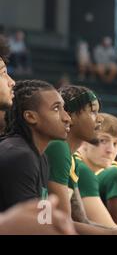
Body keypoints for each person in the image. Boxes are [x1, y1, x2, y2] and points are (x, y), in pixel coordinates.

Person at [45, 85, 117, 234]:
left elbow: (80, 221)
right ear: (70, 115)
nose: (100, 118)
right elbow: (64, 224)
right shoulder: (60, 148)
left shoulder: (72, 160)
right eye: (93, 111)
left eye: (116, 144)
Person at [0, 39, 75, 235]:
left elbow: (44, 222)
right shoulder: (19, 155)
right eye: (2, 73)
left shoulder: (39, 156)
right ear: (31, 116)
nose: (12, 81)